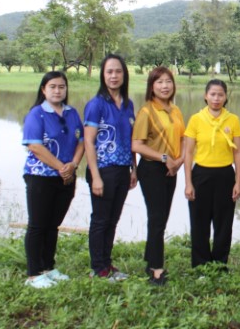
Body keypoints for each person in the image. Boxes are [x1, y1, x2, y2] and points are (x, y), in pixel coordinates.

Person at [21, 71, 84, 289]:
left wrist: (73, 165)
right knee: (38, 225)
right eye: (53, 87)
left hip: (66, 177)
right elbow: (34, 146)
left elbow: (81, 141)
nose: (57, 91)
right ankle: (33, 274)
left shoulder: (72, 113)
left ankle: (48, 267)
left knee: (53, 225)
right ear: (43, 90)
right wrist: (61, 168)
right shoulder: (36, 114)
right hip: (40, 177)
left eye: (61, 87)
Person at [83, 54, 137, 282]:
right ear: (103, 75)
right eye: (109, 72)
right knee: (100, 219)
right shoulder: (96, 105)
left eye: (118, 71)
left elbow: (131, 139)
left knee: (113, 219)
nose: (114, 76)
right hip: (103, 170)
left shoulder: (128, 104)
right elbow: (88, 142)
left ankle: (106, 263)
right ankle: (98, 268)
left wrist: (134, 169)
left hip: (123, 169)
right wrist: (95, 176)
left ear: (124, 75)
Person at [131, 66, 186, 286]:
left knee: (162, 217)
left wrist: (179, 161)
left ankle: (150, 258)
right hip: (152, 169)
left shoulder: (175, 110)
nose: (165, 86)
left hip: (171, 169)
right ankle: (155, 267)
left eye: (168, 81)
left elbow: (183, 138)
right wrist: (164, 158)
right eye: (160, 82)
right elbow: (137, 145)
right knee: (157, 218)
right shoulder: (146, 112)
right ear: (151, 86)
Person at [183, 79, 240, 271]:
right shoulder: (196, 119)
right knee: (199, 221)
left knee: (224, 222)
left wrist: (238, 182)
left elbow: (238, 153)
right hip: (201, 174)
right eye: (213, 94)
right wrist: (188, 182)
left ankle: (219, 264)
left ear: (225, 97)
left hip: (225, 175)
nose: (216, 98)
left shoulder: (233, 120)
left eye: (220, 95)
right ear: (205, 96)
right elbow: (188, 153)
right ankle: (201, 265)